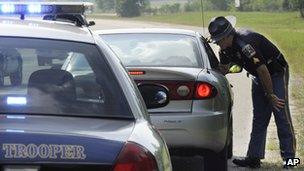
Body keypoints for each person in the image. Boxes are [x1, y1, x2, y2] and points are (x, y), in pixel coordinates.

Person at [208, 16, 296, 168]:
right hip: (258, 76)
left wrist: (270, 95)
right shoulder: (224, 50)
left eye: (219, 40)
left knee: (281, 114)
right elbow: (224, 69)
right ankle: (254, 158)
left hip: (275, 72)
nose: (218, 43)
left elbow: (263, 70)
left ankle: (290, 160)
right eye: (215, 41)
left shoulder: (245, 44)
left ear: (229, 35)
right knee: (259, 117)